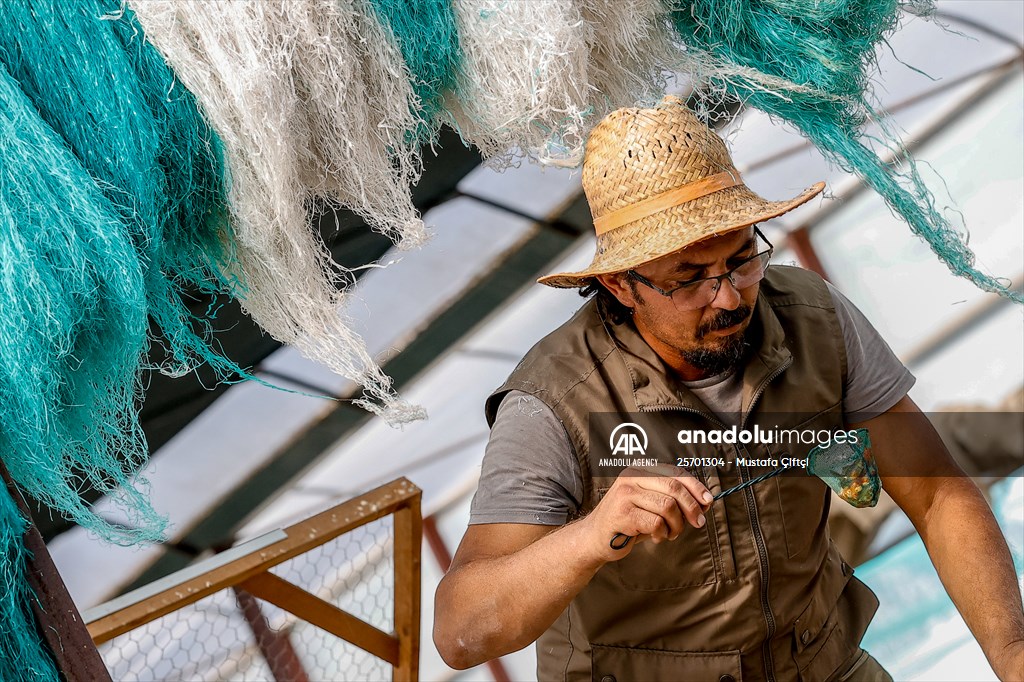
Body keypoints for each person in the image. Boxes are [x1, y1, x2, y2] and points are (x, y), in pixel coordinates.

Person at [434, 96, 1024, 682]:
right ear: (619, 284)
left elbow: (938, 495)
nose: (729, 297)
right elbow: (461, 632)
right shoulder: (555, 402)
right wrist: (592, 535)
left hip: (821, 665)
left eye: (743, 259)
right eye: (689, 280)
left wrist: (1012, 654)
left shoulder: (812, 315)